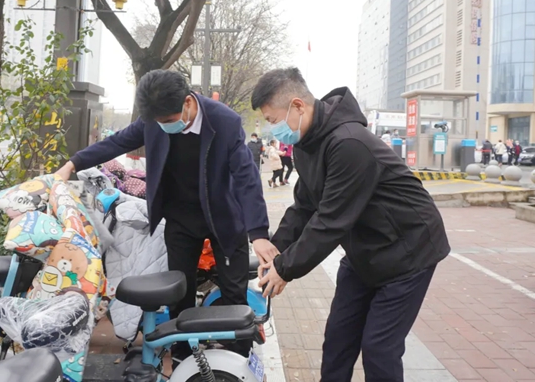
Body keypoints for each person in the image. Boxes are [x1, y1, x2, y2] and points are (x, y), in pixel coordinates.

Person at [55, 70, 279, 363]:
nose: (163, 127)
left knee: (234, 294)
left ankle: (237, 361)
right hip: (180, 219)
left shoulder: (225, 122)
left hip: (225, 218)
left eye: (169, 122)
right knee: (179, 295)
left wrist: (259, 233)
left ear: (188, 103)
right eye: (158, 123)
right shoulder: (153, 121)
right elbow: (117, 143)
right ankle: (184, 357)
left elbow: (247, 178)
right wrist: (72, 164)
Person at [250, 67, 450, 382]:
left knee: (379, 348)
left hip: (407, 251)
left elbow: (330, 220)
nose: (272, 129)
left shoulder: (349, 143)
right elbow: (305, 205)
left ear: (298, 106)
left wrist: (286, 268)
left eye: (273, 120)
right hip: (365, 253)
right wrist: (276, 251)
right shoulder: (307, 144)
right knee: (338, 340)